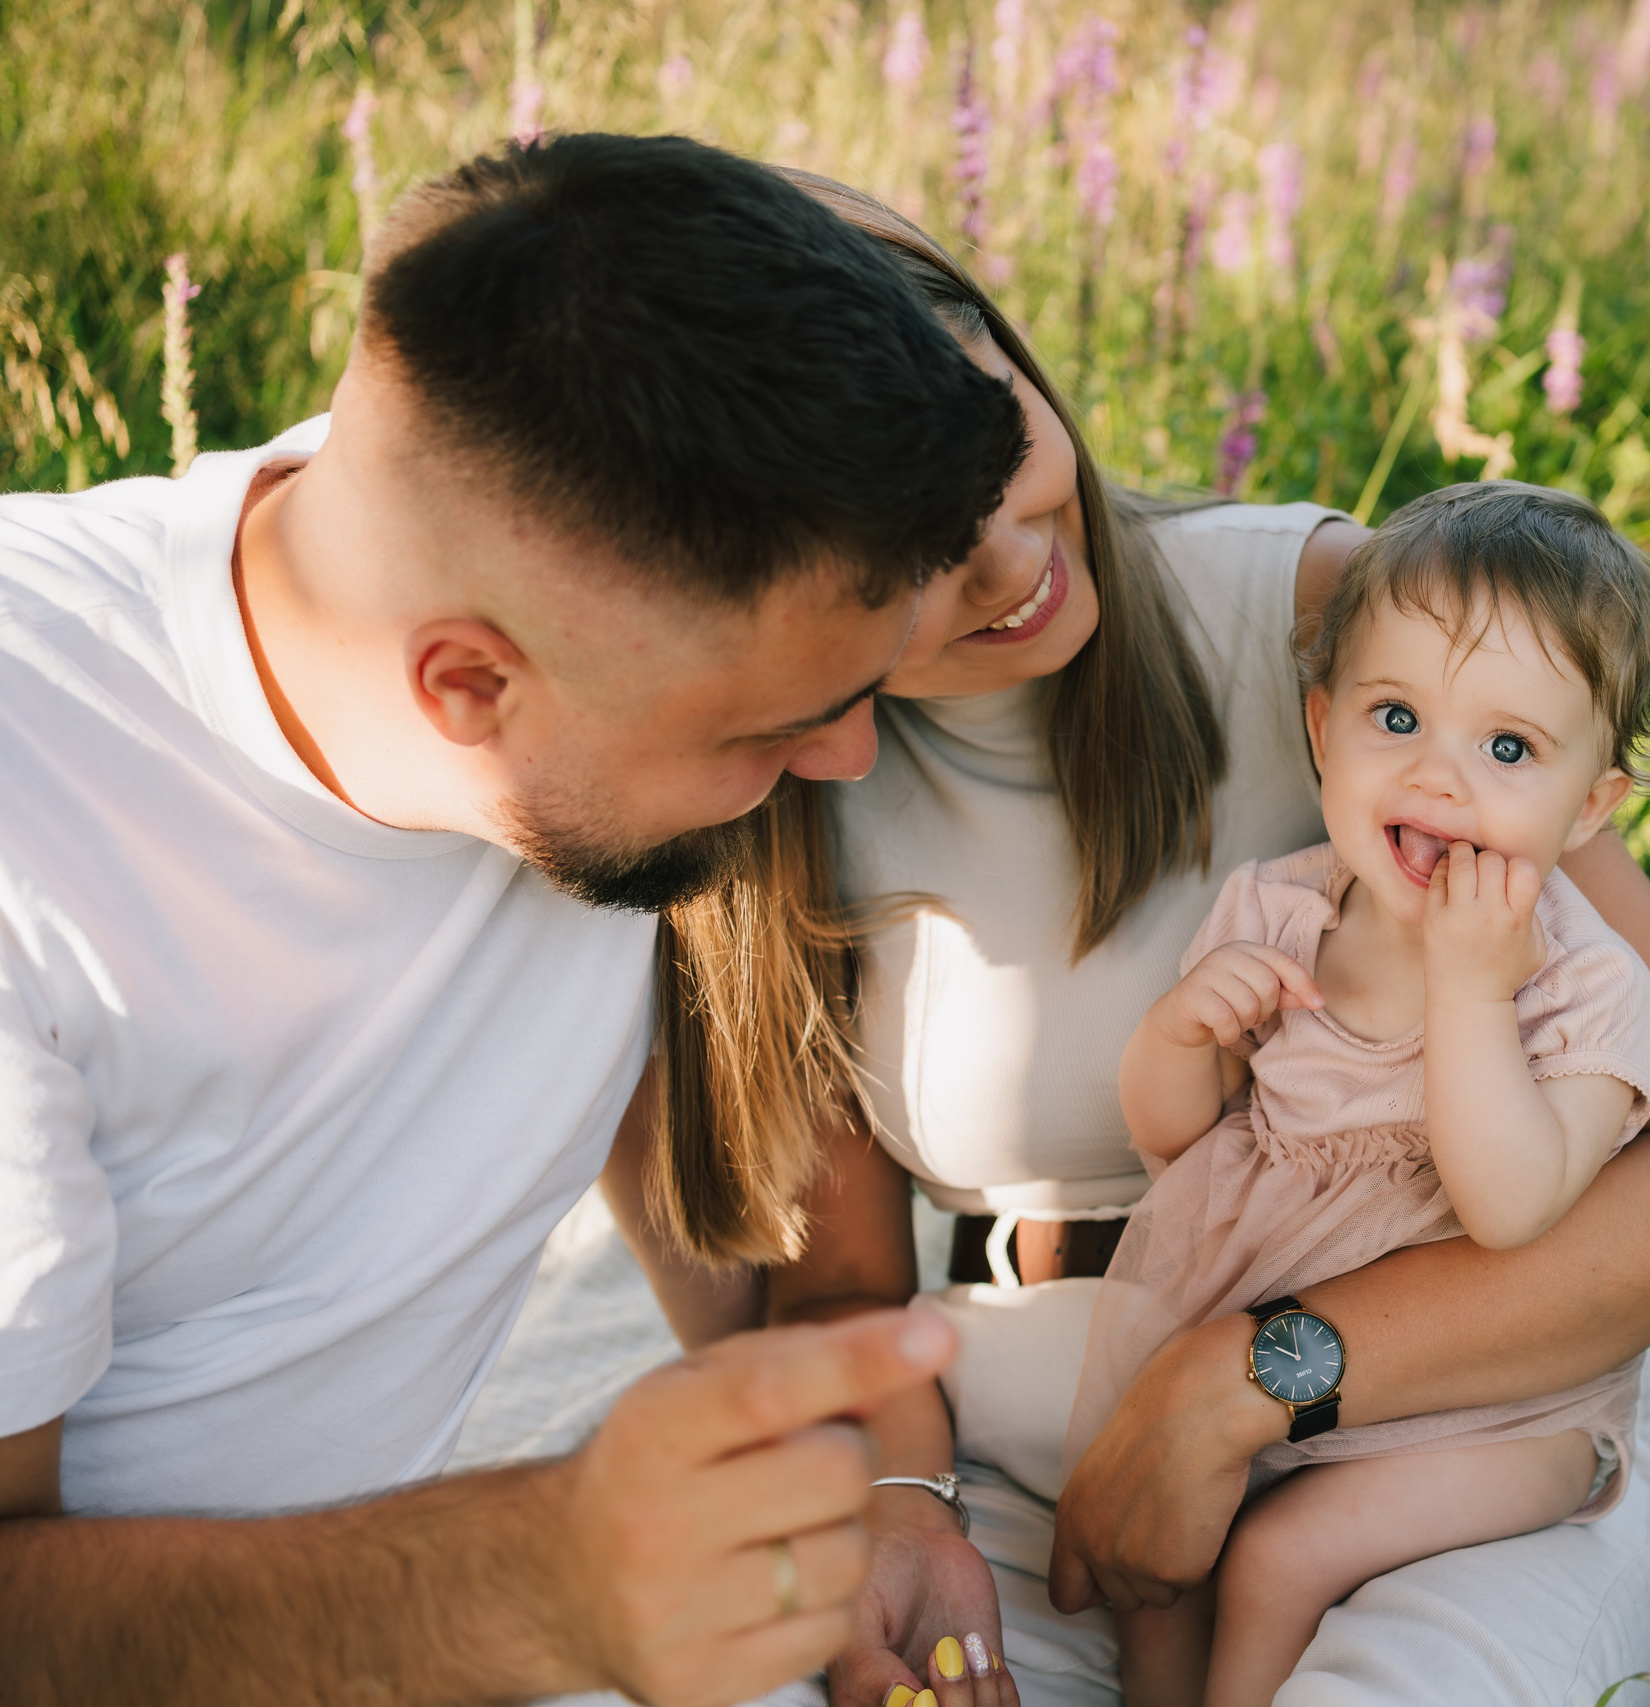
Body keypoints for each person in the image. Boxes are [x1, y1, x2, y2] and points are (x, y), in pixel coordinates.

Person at [607, 180, 1650, 1707]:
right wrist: (905, 1513)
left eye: (998, 442)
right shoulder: (782, 797)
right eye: (896, 554)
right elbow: (839, 1292)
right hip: (1024, 1420)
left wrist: (1239, 1383)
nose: (1001, 559)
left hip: (1449, 1405)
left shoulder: (1350, 627)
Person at [0, 134, 1030, 1705]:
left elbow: (747, 1216)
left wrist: (873, 1498)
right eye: (770, 731)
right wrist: (529, 1582)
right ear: (466, 688)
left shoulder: (540, 531)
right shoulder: (44, 828)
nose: (844, 762)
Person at [1090, 482, 1650, 1705]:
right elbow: (1180, 1146)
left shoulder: (1584, 990)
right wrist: (1179, 1036)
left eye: (1508, 748)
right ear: (1320, 729)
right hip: (1263, 1358)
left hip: (1498, 1408)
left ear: (1591, 808)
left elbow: (1509, 1205)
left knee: (1279, 1555)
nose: (1438, 776)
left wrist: (1470, 996)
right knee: (1160, 1564)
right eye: (1395, 716)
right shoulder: (1278, 912)